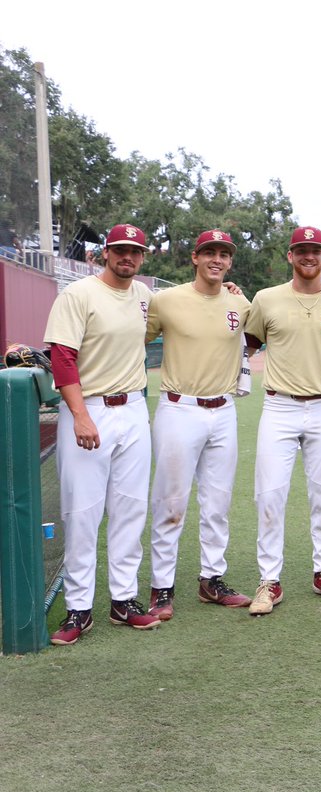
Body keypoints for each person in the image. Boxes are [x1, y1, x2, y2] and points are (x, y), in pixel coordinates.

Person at [44, 223, 161, 644]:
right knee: (82, 512)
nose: (127, 257)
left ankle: (124, 600)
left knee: (130, 509)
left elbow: (190, 306)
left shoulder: (146, 297)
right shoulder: (78, 294)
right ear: (104, 253)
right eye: (120, 250)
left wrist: (231, 291)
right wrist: (79, 414)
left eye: (135, 251)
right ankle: (78, 609)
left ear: (143, 257)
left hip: (131, 409)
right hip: (89, 407)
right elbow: (62, 357)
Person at [243, 226, 321, 616]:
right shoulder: (266, 299)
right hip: (279, 408)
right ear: (290, 256)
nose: (308, 256)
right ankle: (269, 580)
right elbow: (243, 347)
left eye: (315, 250)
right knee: (270, 495)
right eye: (301, 250)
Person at [143, 230, 253, 621]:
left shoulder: (240, 302)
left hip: (223, 410)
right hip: (179, 408)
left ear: (229, 262)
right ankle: (162, 587)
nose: (217, 259)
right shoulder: (166, 300)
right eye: (210, 252)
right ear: (195, 257)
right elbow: (135, 339)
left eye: (224, 254)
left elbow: (254, 339)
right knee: (171, 502)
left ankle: (212, 579)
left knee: (218, 502)